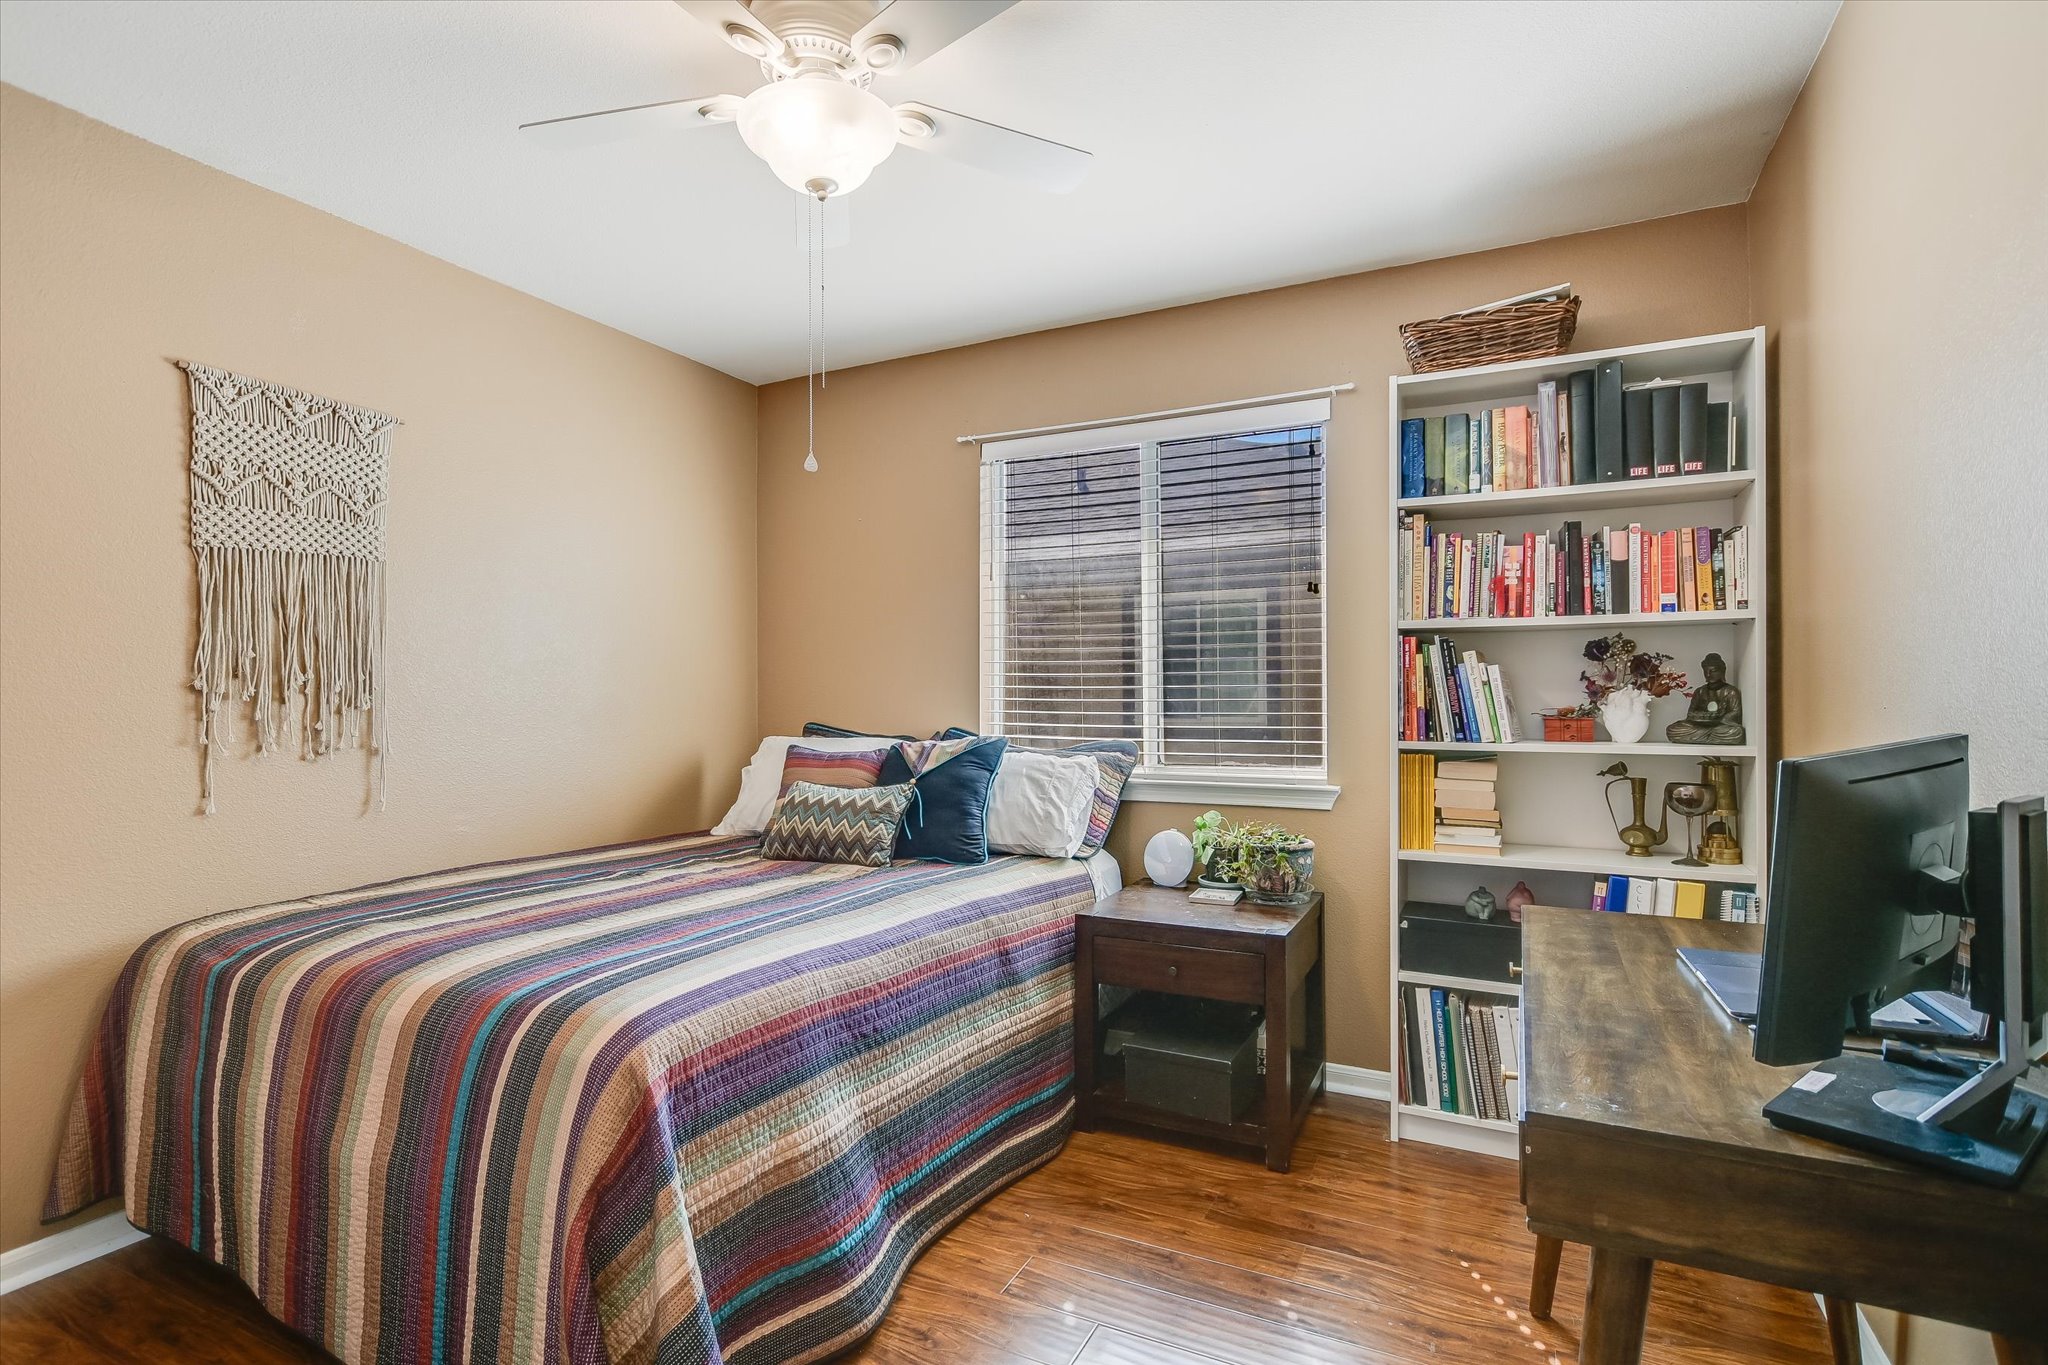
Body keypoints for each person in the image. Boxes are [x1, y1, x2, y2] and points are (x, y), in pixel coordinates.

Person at [1667, 652, 1744, 744]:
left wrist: (1719, 718)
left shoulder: (1731, 691)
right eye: (1705, 671)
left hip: (1720, 726)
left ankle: (1702, 737)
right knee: (1672, 729)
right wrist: (1701, 717)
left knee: (1737, 732)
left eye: (1713, 671)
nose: (1708, 674)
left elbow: (1736, 712)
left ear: (1722, 671)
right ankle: (1710, 737)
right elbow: (1690, 713)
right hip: (1700, 727)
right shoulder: (1700, 691)